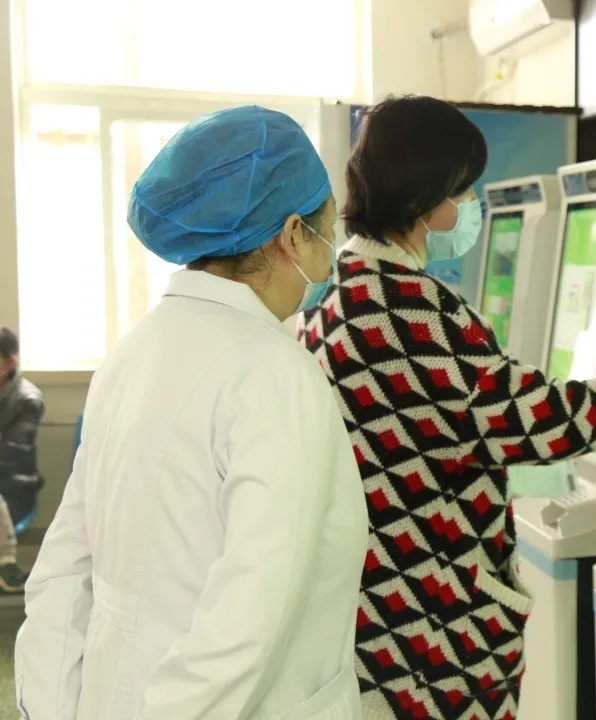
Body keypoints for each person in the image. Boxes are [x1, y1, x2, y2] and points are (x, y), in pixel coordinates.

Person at [298, 95, 596, 720]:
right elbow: (546, 419)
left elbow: (433, 428)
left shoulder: (339, 289)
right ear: (428, 199)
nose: (470, 204)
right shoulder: (411, 313)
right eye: (464, 189)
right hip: (429, 627)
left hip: (378, 609)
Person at [16, 106, 369, 719]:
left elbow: (64, 571)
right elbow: (248, 621)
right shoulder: (275, 374)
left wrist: (49, 707)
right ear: (292, 235)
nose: (328, 254)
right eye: (324, 230)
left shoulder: (131, 353)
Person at [0, 327, 44, 593]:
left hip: (13, 485)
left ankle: (6, 565)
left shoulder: (28, 400)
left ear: (8, 363)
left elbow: (13, 453)